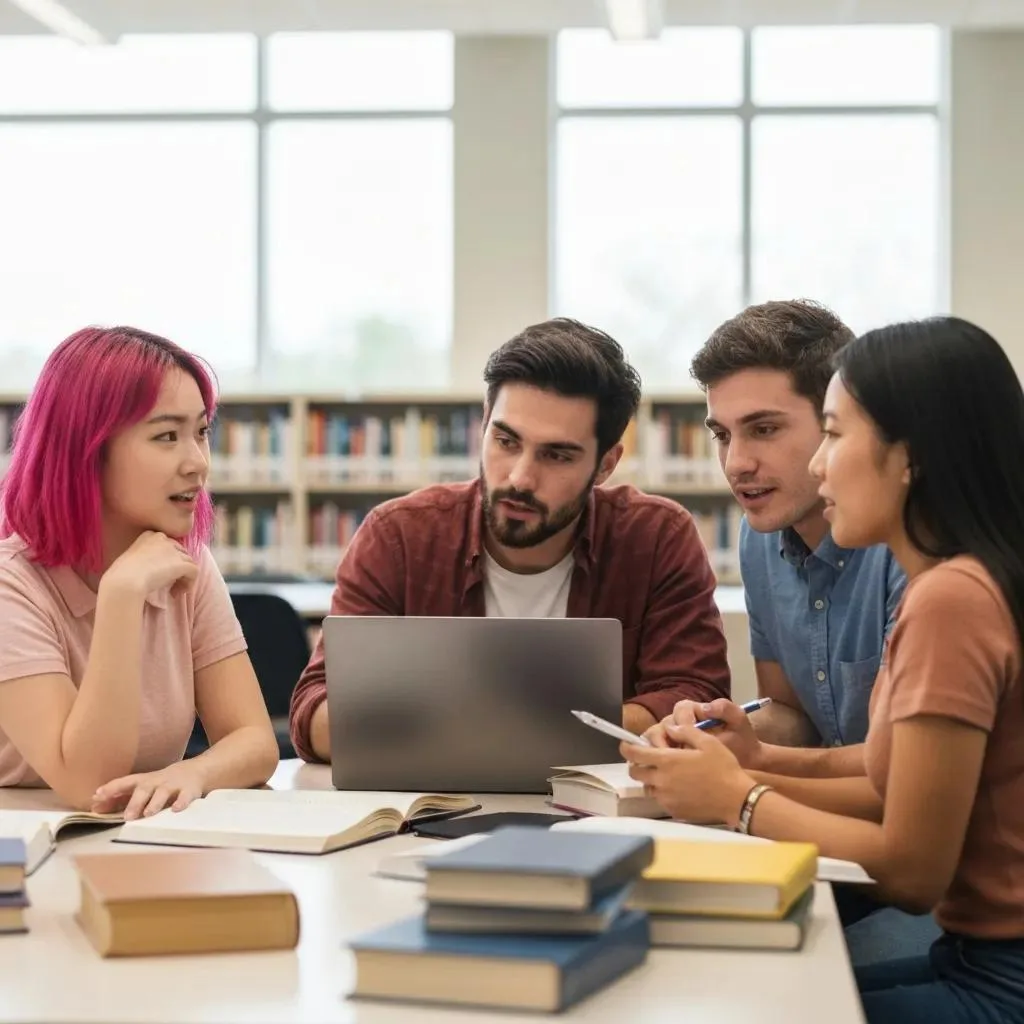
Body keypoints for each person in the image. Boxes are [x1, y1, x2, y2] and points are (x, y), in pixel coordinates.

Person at [624, 316, 1024, 1023]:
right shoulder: (962, 579)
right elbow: (884, 766)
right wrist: (746, 763)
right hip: (972, 958)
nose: (817, 466)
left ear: (911, 457)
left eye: (834, 435)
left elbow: (910, 869)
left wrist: (738, 798)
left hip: (993, 975)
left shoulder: (947, 600)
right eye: (723, 435)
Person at [290, 317, 731, 762]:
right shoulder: (398, 536)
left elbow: (695, 704)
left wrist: (451, 728)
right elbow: (316, 717)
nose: (520, 478)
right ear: (483, 424)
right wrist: (545, 728)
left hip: (599, 818)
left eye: (556, 455)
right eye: (506, 440)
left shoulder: (656, 539)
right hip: (426, 814)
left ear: (605, 464)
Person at [0, 326, 278, 819]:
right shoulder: (11, 586)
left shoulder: (186, 564)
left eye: (201, 432)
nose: (198, 463)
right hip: (28, 858)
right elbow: (89, 784)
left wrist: (192, 772)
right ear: (86, 451)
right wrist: (122, 595)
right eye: (167, 436)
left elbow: (255, 741)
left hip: (139, 840)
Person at [689, 300, 905, 770]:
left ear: (836, 422)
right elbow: (794, 720)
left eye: (763, 429)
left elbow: (904, 768)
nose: (736, 463)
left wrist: (744, 793)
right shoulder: (757, 537)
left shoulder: (908, 541)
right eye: (722, 435)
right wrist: (719, 733)